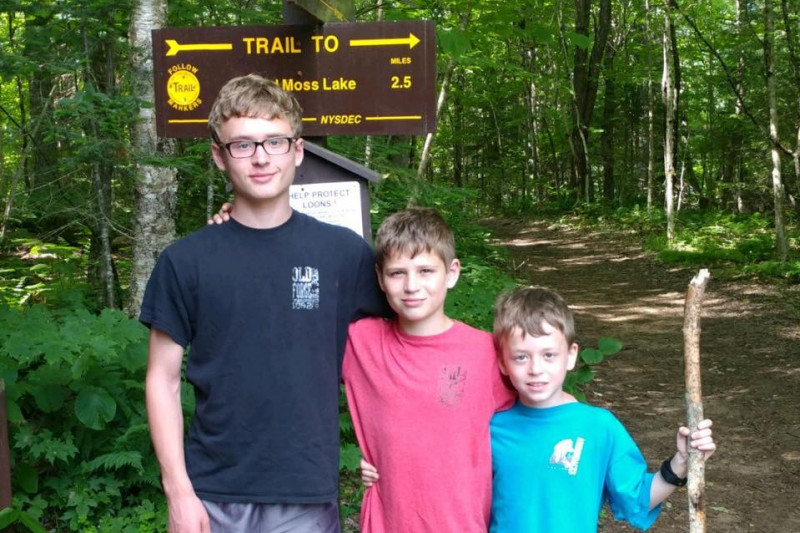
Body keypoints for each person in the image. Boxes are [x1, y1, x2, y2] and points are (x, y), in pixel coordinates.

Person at [140, 74, 387, 533]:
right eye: (242, 145)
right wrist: (178, 492)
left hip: (306, 495)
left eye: (275, 141)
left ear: (297, 150)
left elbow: (401, 348)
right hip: (212, 494)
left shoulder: (343, 254)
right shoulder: (186, 261)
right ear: (219, 156)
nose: (260, 157)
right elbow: (162, 380)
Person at [343, 207, 516, 533]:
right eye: (397, 273)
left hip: (461, 524)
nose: (411, 285)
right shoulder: (359, 342)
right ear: (380, 278)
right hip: (387, 524)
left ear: (451, 273)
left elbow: (531, 421)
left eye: (425, 271)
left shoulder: (486, 352)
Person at [490, 286, 717, 532]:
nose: (536, 369)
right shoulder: (491, 428)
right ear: (502, 362)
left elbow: (637, 499)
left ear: (571, 355)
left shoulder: (598, 426)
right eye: (521, 357)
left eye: (549, 355)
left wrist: (681, 462)